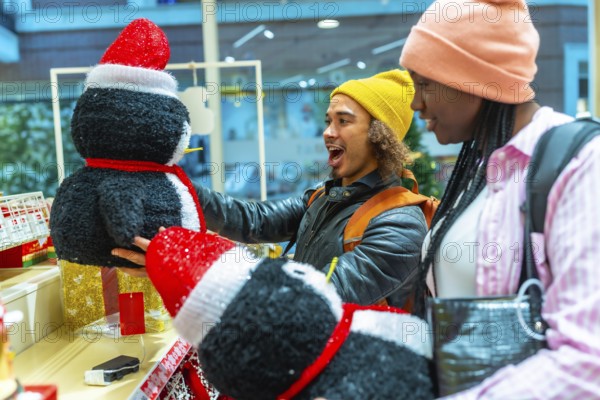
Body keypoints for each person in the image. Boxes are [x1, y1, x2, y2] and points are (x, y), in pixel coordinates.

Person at [399, 0, 600, 398]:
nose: (415, 103)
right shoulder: (481, 169)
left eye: (424, 84)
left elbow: (586, 362)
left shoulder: (580, 164)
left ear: (471, 79)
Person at [115, 69, 428, 307]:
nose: (327, 132)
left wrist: (189, 264)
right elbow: (252, 219)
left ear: (379, 135)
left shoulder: (398, 223)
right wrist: (172, 185)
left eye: (343, 121)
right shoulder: (324, 197)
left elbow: (314, 295)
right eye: (327, 120)